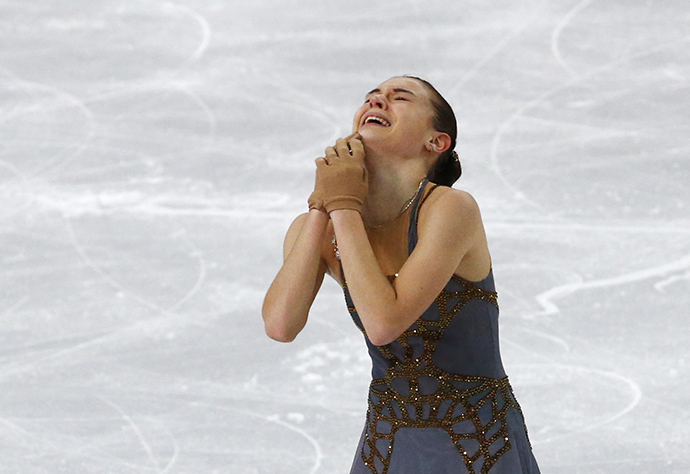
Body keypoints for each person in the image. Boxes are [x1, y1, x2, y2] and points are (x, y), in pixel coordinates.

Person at [262, 76, 540, 474]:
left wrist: (343, 204)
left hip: (478, 441)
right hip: (386, 444)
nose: (377, 100)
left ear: (436, 142)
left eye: (399, 97)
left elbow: (383, 323)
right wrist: (322, 207)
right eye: (372, 97)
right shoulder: (325, 227)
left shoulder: (450, 209)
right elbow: (280, 324)